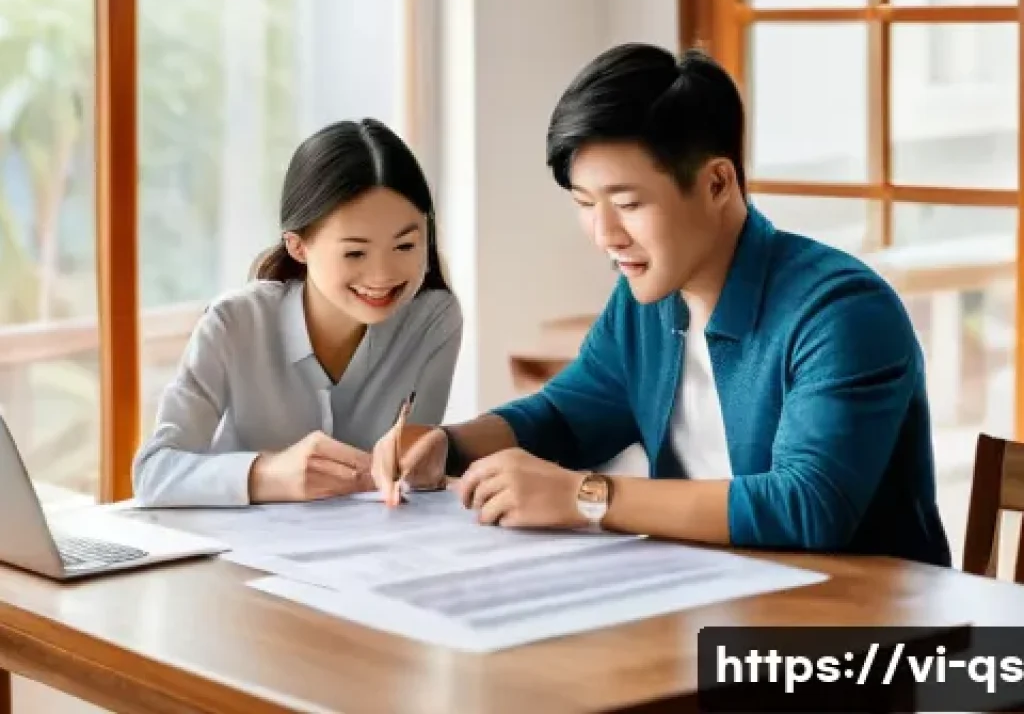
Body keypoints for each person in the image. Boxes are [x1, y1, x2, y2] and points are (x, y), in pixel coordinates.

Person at [371, 44, 951, 567]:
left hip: (867, 647)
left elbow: (809, 505)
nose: (604, 234)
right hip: (711, 604)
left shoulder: (841, 310)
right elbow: (566, 417)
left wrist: (583, 497)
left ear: (718, 184)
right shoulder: (646, 302)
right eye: (584, 203)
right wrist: (447, 444)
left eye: (627, 203)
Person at [133, 118, 462, 508]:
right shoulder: (234, 323)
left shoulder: (433, 319)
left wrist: (416, 464)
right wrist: (268, 474)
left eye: (405, 246)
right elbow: (153, 472)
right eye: (355, 252)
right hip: (238, 557)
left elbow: (411, 463)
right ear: (298, 246)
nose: (383, 275)